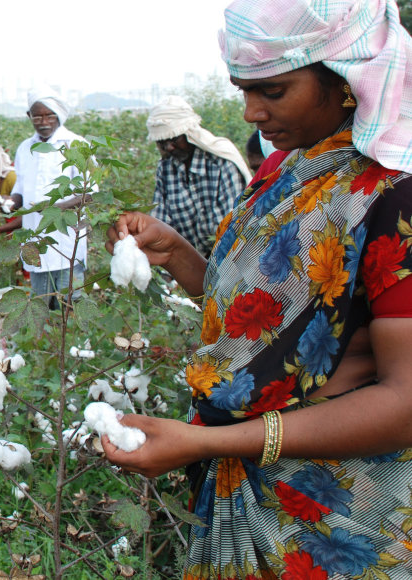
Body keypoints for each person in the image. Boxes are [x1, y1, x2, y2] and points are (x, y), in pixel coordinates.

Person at [102, 1, 412, 578]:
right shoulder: (285, 170)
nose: (252, 111)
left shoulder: (396, 193)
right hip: (250, 480)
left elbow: (406, 403)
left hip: (341, 518)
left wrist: (211, 444)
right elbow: (264, 324)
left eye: (272, 90)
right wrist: (178, 256)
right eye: (244, 89)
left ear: (347, 77)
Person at [0, 86, 89, 310]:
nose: (43, 121)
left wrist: (54, 208)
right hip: (35, 241)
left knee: (70, 307)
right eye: (37, 116)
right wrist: (9, 202)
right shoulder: (25, 148)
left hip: (66, 242)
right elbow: (20, 190)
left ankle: (74, 344)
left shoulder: (76, 145)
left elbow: (89, 194)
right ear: (29, 117)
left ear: (59, 116)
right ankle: (45, 342)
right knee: (40, 306)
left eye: (49, 115)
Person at [147, 96, 252, 257]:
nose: (169, 147)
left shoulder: (221, 163)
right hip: (186, 260)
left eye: (174, 139)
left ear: (189, 133)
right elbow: (161, 219)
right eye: (162, 142)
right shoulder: (166, 168)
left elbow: (233, 224)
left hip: (229, 256)